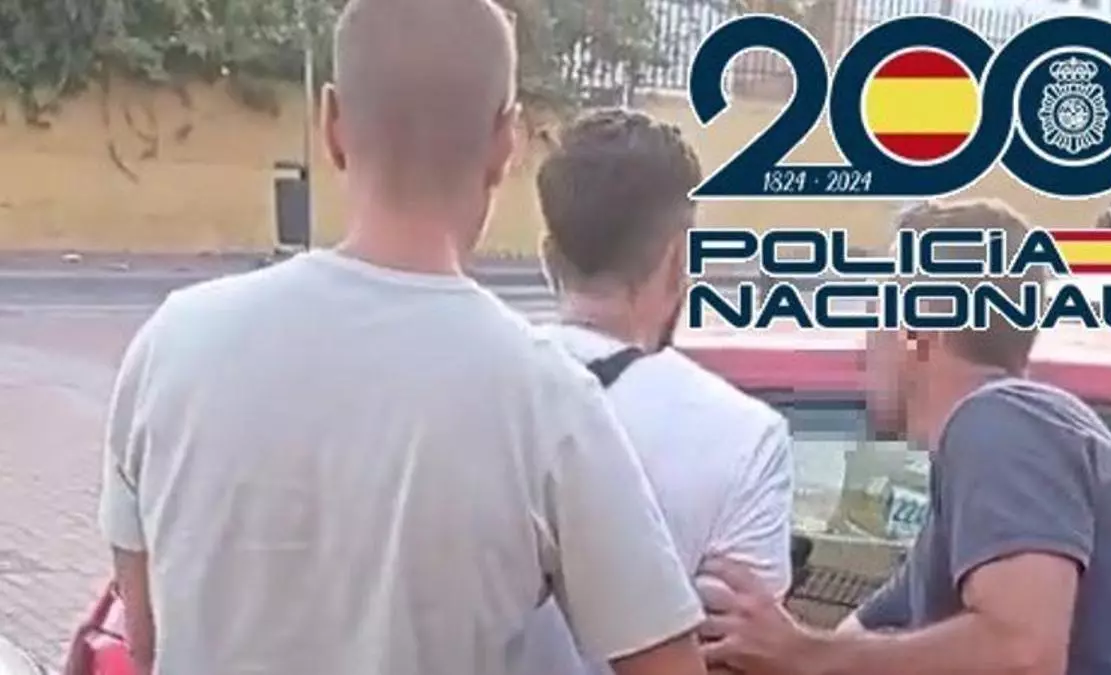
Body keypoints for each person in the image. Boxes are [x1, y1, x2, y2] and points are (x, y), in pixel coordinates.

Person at [96, 2, 710, 674]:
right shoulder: (547, 400)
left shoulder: (170, 346)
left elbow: (145, 641)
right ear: (505, 143)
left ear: (332, 123)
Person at [695, 199, 1111, 675]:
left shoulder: (1002, 421)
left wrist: (803, 653)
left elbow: (1020, 654)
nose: (863, 352)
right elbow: (850, 646)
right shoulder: (991, 454)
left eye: (876, 321)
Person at [519, 108, 796, 674]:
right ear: (678, 258)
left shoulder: (475, 389)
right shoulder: (746, 437)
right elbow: (741, 657)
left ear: (549, 259)